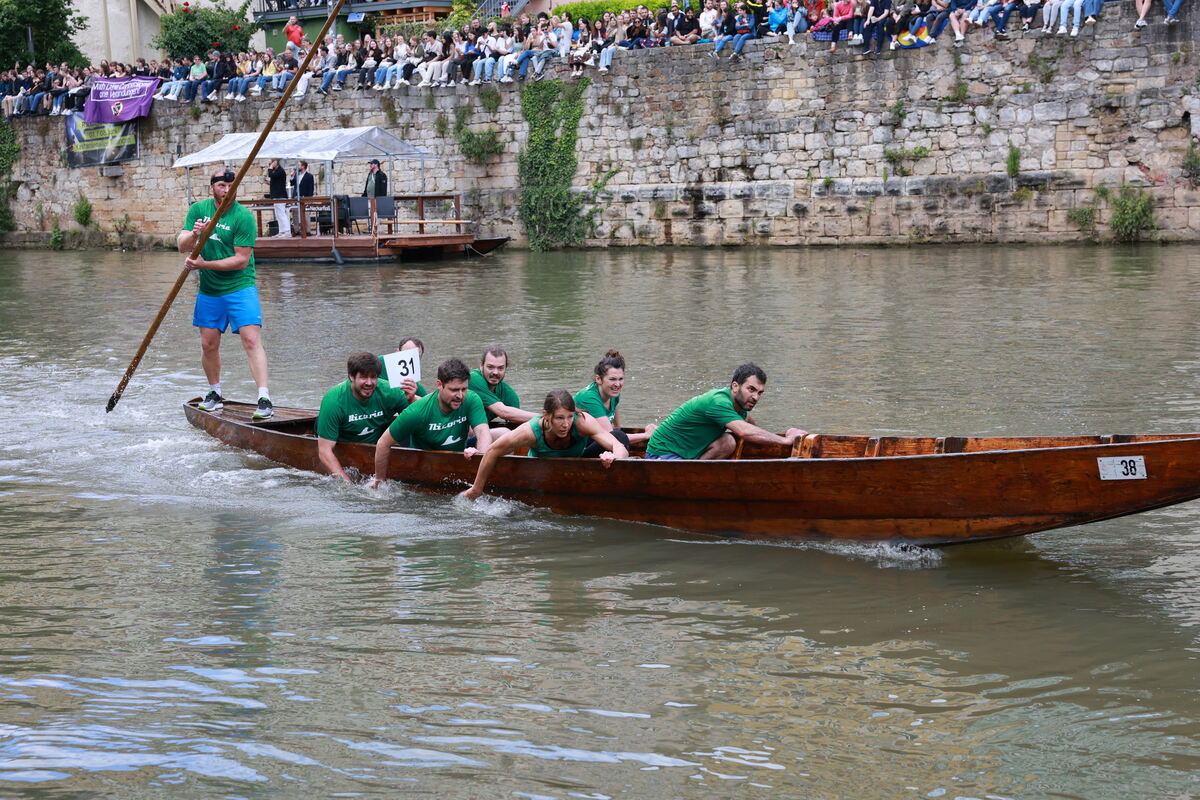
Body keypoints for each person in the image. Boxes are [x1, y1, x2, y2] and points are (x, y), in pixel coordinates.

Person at [179, 168, 272, 420]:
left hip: (240, 287)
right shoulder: (199, 210)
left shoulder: (243, 217)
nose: (227, 190)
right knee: (208, 344)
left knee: (251, 340)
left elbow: (241, 260)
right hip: (210, 290)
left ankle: (264, 398)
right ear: (212, 187)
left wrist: (204, 265)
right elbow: (181, 245)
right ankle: (215, 393)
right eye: (221, 185)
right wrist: (195, 234)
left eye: (231, 185)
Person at [459, 390, 630, 501]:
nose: (566, 424)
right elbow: (492, 451)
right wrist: (476, 489)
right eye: (560, 418)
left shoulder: (582, 422)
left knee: (620, 436)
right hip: (542, 475)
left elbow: (619, 446)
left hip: (575, 467)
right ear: (546, 415)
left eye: (570, 417)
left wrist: (613, 457)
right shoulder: (529, 431)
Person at [371, 358, 494, 486]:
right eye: (454, 390)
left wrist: (479, 456)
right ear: (439, 385)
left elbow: (483, 432)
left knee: (501, 434)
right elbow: (383, 443)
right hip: (425, 468)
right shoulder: (417, 412)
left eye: (464, 389)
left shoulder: (472, 399)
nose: (460, 396)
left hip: (458, 460)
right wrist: (379, 480)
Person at [645, 363, 805, 460]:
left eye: (760, 392)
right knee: (733, 438)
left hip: (689, 452)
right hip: (662, 454)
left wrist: (780, 435)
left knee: (728, 442)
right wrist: (785, 441)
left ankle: (697, 472)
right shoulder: (718, 402)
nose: (756, 397)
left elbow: (750, 426)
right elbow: (744, 431)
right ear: (735, 386)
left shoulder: (740, 406)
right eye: (751, 389)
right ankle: (695, 477)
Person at [317, 351, 411, 481]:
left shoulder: (390, 392)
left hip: (376, 440)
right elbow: (324, 451)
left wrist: (413, 397)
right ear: (351, 376)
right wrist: (346, 483)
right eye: (363, 377)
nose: (369, 383)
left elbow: (419, 418)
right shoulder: (333, 401)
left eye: (373, 377)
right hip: (342, 438)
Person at [573, 349, 655, 447]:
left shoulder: (612, 393)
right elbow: (612, 438)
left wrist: (618, 430)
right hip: (578, 449)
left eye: (621, 379)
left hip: (595, 441)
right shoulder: (588, 399)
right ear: (598, 379)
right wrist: (646, 435)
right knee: (618, 437)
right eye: (612, 379)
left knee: (619, 434)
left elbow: (617, 428)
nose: (617, 384)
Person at [469, 346, 536, 426]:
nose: (495, 372)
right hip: (463, 430)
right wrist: (544, 417)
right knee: (503, 431)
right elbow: (502, 412)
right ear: (481, 366)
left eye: (500, 368)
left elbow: (517, 422)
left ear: (505, 368)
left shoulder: (509, 394)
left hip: (480, 429)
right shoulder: (472, 379)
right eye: (490, 367)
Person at [265, 158, 291, 238]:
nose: (270, 165)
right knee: (278, 214)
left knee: (281, 213)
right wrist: (269, 182)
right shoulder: (277, 171)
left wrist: (270, 168)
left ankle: (287, 231)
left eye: (271, 163)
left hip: (280, 195)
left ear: (276, 162)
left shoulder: (280, 171)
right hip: (276, 195)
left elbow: (271, 174)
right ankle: (282, 231)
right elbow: (276, 182)